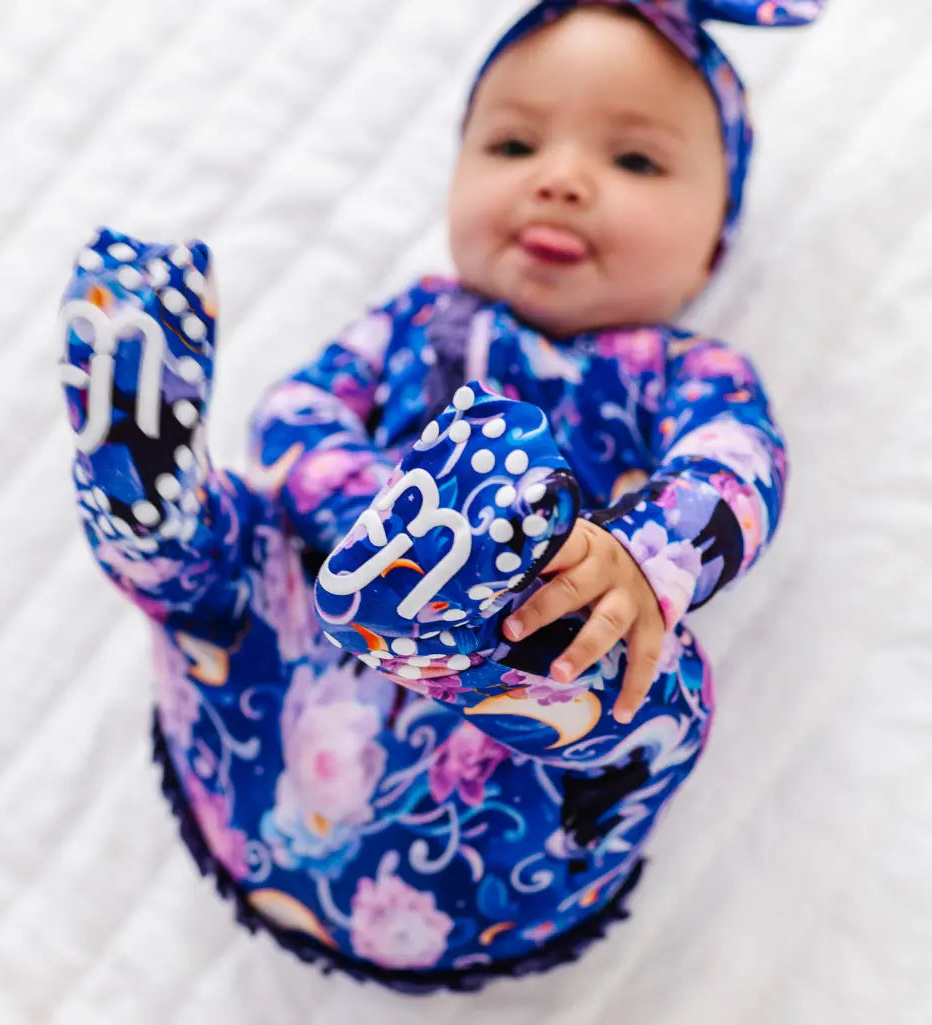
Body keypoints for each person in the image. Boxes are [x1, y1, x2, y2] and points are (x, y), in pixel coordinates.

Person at [58, 0, 824, 993]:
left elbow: (738, 461)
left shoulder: (678, 371)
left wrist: (638, 559)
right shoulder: (416, 320)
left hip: (497, 829)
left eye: (633, 162)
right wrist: (379, 519)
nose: (559, 177)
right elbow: (294, 414)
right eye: (512, 142)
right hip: (269, 704)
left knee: (648, 685)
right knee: (235, 541)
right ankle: (142, 482)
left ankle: (455, 630)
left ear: (710, 250)